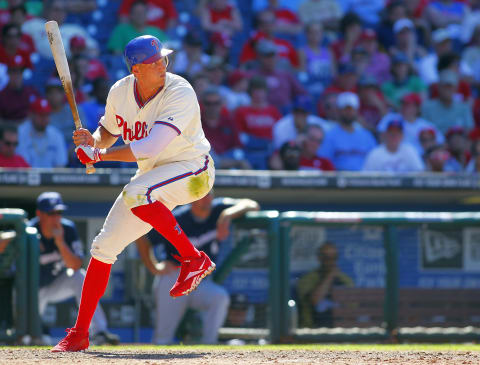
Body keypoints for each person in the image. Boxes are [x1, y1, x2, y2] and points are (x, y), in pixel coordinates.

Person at [51, 35, 216, 352]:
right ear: (137, 68)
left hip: (193, 168)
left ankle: (194, 258)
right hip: (153, 177)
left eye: (163, 59)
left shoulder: (179, 90)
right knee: (103, 246)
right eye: (154, 62)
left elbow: (149, 147)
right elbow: (108, 135)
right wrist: (93, 141)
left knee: (137, 192)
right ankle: (80, 334)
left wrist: (98, 156)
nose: (162, 65)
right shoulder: (120, 91)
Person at [136, 192, 260, 344]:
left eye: (209, 195)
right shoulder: (178, 217)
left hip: (201, 281)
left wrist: (227, 215)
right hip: (175, 278)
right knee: (163, 337)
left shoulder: (218, 210)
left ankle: (209, 345)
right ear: (191, 199)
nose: (206, 199)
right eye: (201, 195)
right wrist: (154, 266)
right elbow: (143, 238)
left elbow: (252, 204)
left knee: (219, 298)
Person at [29, 192, 119, 346]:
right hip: (32, 290)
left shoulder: (67, 229)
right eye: (51, 213)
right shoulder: (29, 231)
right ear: (39, 214)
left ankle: (99, 332)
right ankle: (29, 333)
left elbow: (76, 264)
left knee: (80, 277)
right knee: (31, 336)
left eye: (59, 213)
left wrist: (60, 242)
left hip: (56, 283)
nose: (56, 218)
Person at [296, 242, 354, 328]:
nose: (331, 261)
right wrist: (330, 276)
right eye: (327, 258)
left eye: (334, 258)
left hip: (340, 328)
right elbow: (314, 301)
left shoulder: (345, 280)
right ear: (319, 258)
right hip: (313, 329)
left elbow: (352, 308)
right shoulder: (307, 279)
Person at [318, 92, 377, 171]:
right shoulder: (329, 135)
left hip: (364, 179)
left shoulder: (366, 136)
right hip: (338, 179)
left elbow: (375, 160)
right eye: (345, 109)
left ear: (357, 111)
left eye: (351, 109)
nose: (349, 112)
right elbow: (323, 161)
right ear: (338, 110)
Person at [16, 98, 68, 168]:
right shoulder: (20, 133)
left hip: (51, 177)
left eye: (47, 115)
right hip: (27, 176)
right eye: (41, 115)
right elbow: (20, 164)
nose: (45, 119)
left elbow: (61, 165)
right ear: (31, 115)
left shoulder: (56, 135)